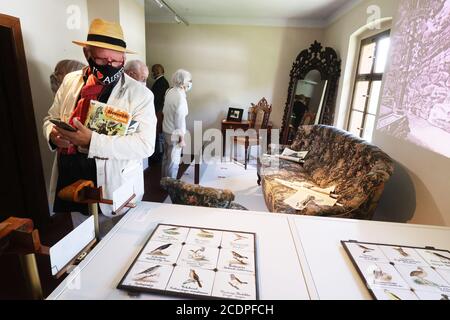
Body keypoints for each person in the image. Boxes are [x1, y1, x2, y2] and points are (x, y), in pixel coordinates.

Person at [42, 19, 157, 236]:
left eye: (116, 60)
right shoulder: (70, 81)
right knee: (83, 240)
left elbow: (145, 145)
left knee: (116, 244)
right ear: (87, 54)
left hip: (114, 184)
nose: (110, 65)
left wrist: (91, 141)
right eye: (102, 59)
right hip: (71, 178)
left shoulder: (140, 95)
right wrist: (53, 136)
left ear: (124, 58)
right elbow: (50, 117)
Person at [161, 69, 192, 179]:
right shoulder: (180, 98)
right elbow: (180, 120)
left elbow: (165, 111)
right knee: (174, 160)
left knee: (166, 157)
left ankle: (164, 181)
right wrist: (182, 138)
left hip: (166, 129)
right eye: (189, 81)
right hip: (175, 133)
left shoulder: (170, 91)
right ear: (183, 82)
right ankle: (171, 184)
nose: (190, 83)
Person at [149, 64, 170, 164]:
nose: (152, 73)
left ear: (157, 71)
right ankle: (158, 155)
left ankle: (157, 156)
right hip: (160, 112)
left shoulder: (160, 83)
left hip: (158, 112)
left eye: (153, 71)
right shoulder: (163, 82)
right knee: (158, 135)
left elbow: (156, 100)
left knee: (157, 135)